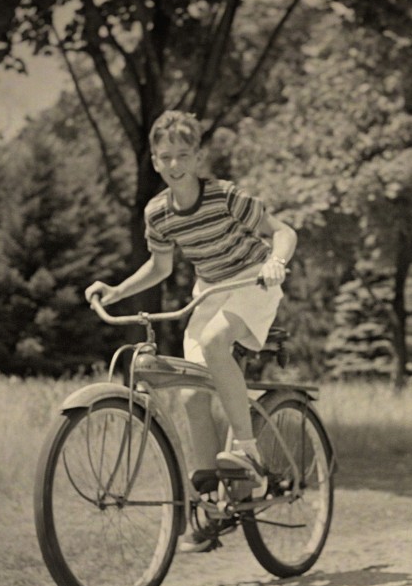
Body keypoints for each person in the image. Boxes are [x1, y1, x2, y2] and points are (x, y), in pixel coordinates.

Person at [86, 110, 297, 505]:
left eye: (183, 155)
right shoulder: (158, 214)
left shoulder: (224, 196)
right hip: (210, 291)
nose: (174, 165)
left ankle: (248, 453)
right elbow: (159, 267)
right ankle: (212, 497)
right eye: (165, 157)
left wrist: (276, 262)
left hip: (253, 280)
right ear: (154, 162)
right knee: (190, 392)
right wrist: (116, 291)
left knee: (215, 342)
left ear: (198, 158)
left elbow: (283, 231)